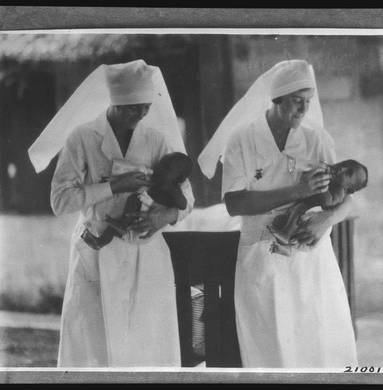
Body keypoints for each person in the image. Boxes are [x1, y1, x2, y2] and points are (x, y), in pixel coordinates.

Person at [28, 60, 194, 367]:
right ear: (115, 101)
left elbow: (187, 198)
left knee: (148, 348)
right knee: (95, 347)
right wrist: (113, 186)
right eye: (132, 108)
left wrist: (162, 216)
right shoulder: (84, 138)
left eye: (145, 108)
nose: (141, 115)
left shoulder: (155, 139)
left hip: (146, 252)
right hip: (95, 248)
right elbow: (60, 201)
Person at [198, 59, 359, 368]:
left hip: (312, 259)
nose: (303, 110)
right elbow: (235, 203)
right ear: (277, 99)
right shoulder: (241, 139)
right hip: (262, 258)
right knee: (271, 351)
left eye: (308, 103)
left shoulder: (318, 141)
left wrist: (326, 219)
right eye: (296, 102)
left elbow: (347, 201)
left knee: (320, 346)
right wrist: (294, 192)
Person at [81, 151, 193, 249]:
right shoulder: (159, 178)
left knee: (134, 200)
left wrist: (172, 192)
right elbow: (133, 176)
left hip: (152, 213)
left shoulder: (175, 189)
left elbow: (183, 205)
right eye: (160, 165)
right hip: (143, 208)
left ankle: (123, 225)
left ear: (179, 178)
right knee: (113, 226)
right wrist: (111, 180)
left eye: (166, 168)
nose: (160, 169)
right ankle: (100, 242)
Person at [268, 159, 368, 249]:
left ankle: (286, 235)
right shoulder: (330, 178)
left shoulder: (339, 191)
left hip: (310, 214)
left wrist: (321, 184)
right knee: (280, 220)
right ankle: (286, 246)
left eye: (348, 173)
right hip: (301, 208)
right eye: (344, 163)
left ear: (349, 189)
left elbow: (327, 203)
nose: (342, 168)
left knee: (299, 208)